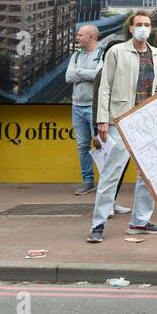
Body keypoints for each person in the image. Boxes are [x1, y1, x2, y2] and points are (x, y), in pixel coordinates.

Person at [86, 12, 157, 243]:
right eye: (139, 24)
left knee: (148, 174)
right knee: (112, 173)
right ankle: (98, 224)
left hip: (147, 121)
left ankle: (140, 220)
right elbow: (105, 88)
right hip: (119, 120)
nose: (143, 28)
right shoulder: (117, 52)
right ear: (131, 29)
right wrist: (102, 119)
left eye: (147, 25)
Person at [65, 24, 102, 196]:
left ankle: (106, 184)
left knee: (101, 145)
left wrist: (78, 72)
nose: (77, 37)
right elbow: (68, 77)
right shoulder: (76, 55)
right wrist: (86, 73)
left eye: (80, 35)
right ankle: (88, 181)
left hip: (94, 108)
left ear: (91, 37)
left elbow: (99, 76)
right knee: (82, 146)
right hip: (77, 107)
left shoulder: (102, 54)